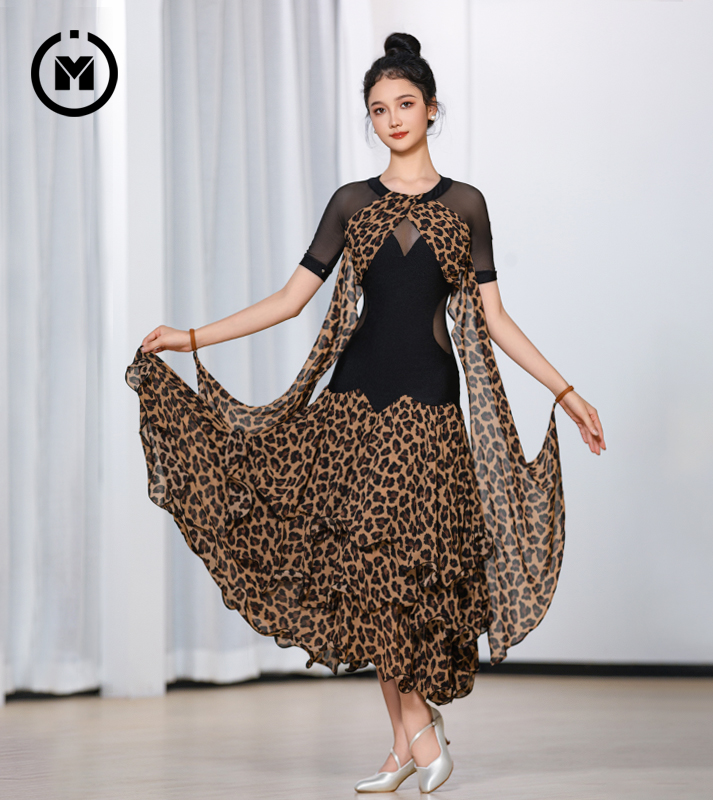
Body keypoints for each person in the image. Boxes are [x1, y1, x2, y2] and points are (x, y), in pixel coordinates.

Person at [130, 32, 605, 794]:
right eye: (378, 109)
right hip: (351, 414)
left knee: (405, 572)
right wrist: (189, 337)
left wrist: (565, 391)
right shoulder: (351, 203)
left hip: (429, 416)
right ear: (371, 118)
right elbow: (290, 301)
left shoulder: (467, 205)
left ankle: (411, 736)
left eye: (405, 104)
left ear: (432, 109)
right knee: (365, 570)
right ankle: (411, 738)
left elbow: (495, 319)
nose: (393, 119)